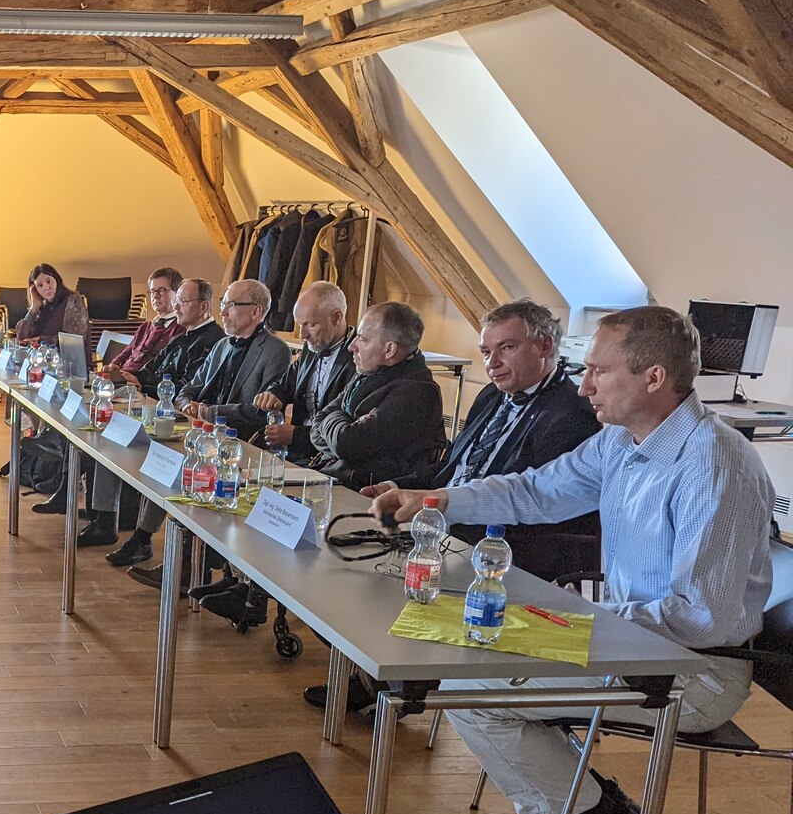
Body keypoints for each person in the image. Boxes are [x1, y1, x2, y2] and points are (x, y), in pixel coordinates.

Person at [371, 306, 774, 814]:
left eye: (598, 372)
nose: (583, 385)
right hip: (635, 641)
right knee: (464, 663)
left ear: (653, 378)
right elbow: (537, 493)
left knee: (468, 689)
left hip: (696, 669)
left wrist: (577, 619)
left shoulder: (716, 464)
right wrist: (436, 499)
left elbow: (703, 619)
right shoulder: (620, 440)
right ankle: (570, 810)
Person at [303, 299, 604, 715]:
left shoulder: (571, 416)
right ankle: (375, 677)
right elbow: (450, 471)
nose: (492, 363)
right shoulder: (491, 397)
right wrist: (399, 487)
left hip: (497, 545)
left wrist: (434, 509)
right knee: (336, 565)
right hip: (446, 524)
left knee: (373, 579)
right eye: (485, 352)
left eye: (507, 349)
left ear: (546, 346)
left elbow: (534, 503)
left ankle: (404, 684)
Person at [110, 280, 288, 581]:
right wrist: (187, 402)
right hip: (202, 431)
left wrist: (212, 412)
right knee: (163, 457)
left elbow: (262, 410)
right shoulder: (222, 345)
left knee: (188, 466)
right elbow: (188, 387)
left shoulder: (275, 351)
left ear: (256, 312)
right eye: (223, 305)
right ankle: (144, 539)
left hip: (239, 440)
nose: (224, 312)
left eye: (231, 305)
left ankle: (189, 565)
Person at [77, 278, 223, 549]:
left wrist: (139, 382)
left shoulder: (214, 341)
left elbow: (185, 387)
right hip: (154, 405)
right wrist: (129, 376)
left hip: (182, 420)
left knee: (141, 449)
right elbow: (153, 368)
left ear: (204, 306)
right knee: (108, 435)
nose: (176, 306)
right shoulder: (182, 336)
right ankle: (105, 518)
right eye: (177, 300)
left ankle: (141, 537)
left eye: (183, 301)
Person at [309, 301, 445, 491]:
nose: (352, 346)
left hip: (365, 495)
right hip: (332, 477)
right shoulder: (366, 372)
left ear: (389, 350)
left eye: (363, 340)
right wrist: (344, 425)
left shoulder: (418, 392)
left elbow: (348, 445)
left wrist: (338, 429)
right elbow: (316, 426)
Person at [253, 281, 358, 468]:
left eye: (310, 325)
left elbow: (348, 429)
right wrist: (272, 394)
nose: (302, 334)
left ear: (337, 317)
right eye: (300, 324)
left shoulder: (358, 359)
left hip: (328, 461)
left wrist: (296, 435)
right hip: (294, 454)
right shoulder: (311, 348)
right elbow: (285, 383)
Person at [99, 267, 184, 391]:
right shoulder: (145, 327)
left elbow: (166, 366)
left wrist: (141, 383)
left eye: (161, 290)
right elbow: (128, 350)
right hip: (124, 379)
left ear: (177, 293)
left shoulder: (180, 329)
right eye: (152, 291)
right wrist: (115, 364)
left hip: (145, 384)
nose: (155, 296)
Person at [14, 264, 88, 344]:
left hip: (69, 355)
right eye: (40, 285)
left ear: (57, 280)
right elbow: (21, 337)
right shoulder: (42, 305)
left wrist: (41, 340)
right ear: (35, 290)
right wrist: (33, 309)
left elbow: (73, 339)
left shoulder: (73, 300)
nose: (46, 287)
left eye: (48, 281)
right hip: (42, 354)